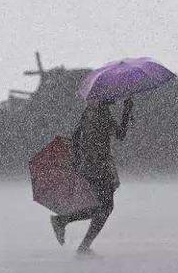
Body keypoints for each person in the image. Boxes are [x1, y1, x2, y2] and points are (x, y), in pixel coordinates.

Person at [50, 97, 133, 254]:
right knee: (105, 208)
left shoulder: (89, 112)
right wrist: (127, 110)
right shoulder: (103, 115)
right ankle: (66, 225)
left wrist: (77, 159)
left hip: (90, 165)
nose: (114, 97)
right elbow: (120, 135)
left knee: (101, 208)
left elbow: (75, 136)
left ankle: (67, 226)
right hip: (100, 167)